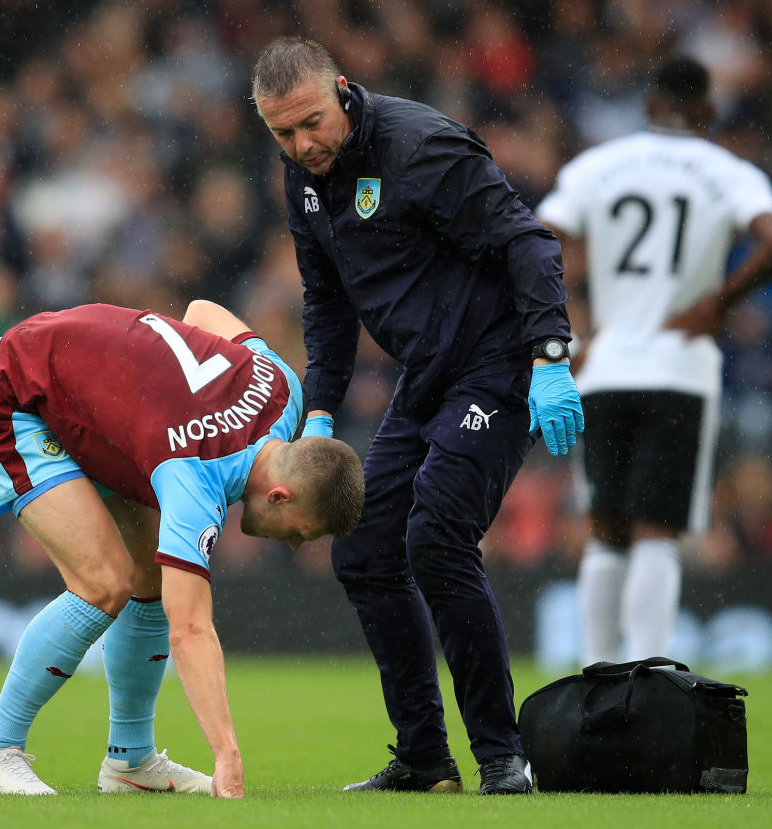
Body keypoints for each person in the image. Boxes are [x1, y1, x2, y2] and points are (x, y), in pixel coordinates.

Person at [251, 37, 584, 796]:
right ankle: (426, 757)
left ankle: (502, 755)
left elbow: (530, 243)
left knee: (435, 534)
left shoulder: (421, 147)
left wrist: (551, 356)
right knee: (363, 547)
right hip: (429, 375)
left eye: (310, 124)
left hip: (500, 360)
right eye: (282, 134)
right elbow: (327, 300)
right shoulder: (302, 174)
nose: (302, 145)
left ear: (341, 89)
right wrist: (321, 413)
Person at [0, 299, 364, 797]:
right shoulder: (196, 472)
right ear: (280, 495)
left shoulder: (280, 385)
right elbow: (190, 629)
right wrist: (226, 754)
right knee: (104, 584)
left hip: (75, 374)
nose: (297, 545)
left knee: (148, 576)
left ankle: (130, 761)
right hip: (16, 387)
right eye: (303, 530)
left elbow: (201, 310)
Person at [535, 56, 772, 666]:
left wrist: (576, 318)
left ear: (649, 107)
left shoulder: (599, 166)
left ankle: (596, 676)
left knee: (606, 533)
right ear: (707, 111)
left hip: (604, 369)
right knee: (657, 533)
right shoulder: (727, 171)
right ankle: (650, 678)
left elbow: (536, 238)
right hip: (679, 369)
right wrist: (719, 302)